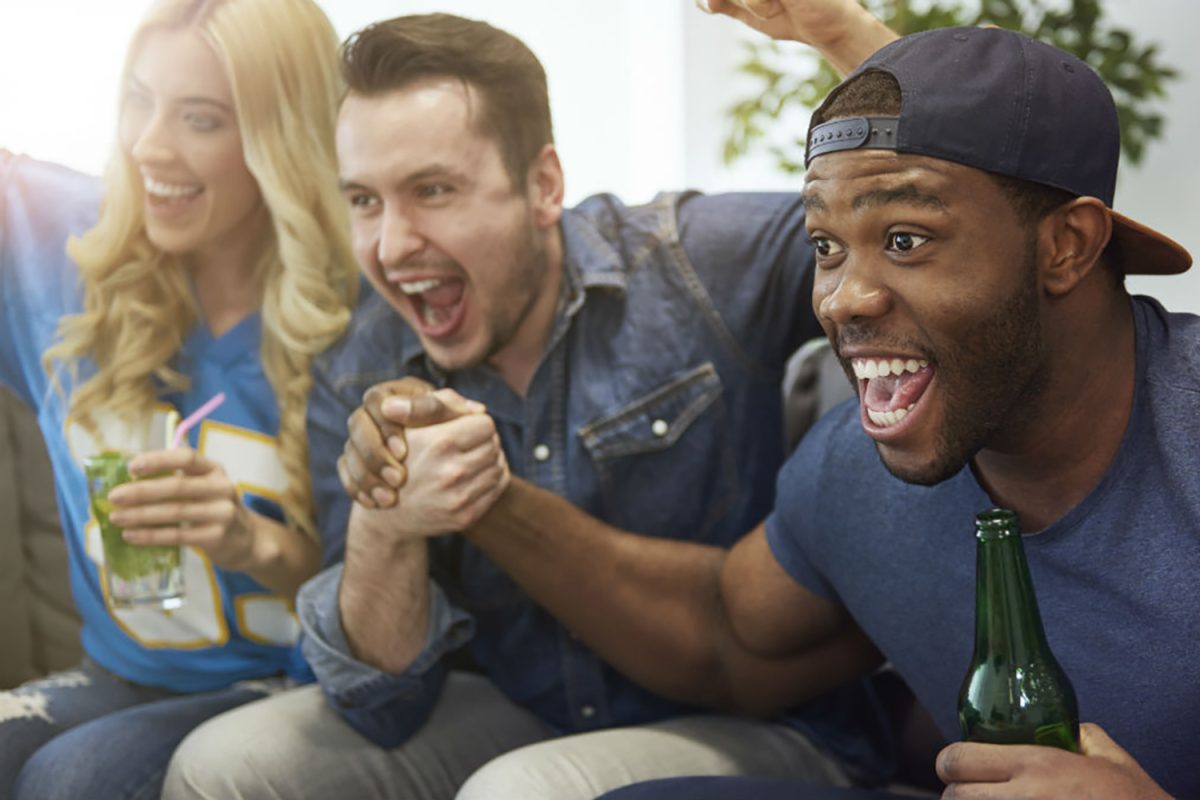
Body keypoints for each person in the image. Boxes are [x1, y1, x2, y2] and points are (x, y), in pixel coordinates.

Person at [162, 4, 907, 799]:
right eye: (365, 201)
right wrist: (386, 520)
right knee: (222, 769)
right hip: (526, 711)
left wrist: (846, 37)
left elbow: (931, 231)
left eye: (433, 189)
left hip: (762, 726)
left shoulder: (695, 263)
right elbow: (381, 699)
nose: (391, 244)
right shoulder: (360, 363)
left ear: (543, 183)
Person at [483, 24, 1197, 800]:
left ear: (1067, 246)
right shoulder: (858, 467)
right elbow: (726, 636)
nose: (844, 299)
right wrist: (486, 496)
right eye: (825, 246)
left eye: (904, 239)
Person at [0, 0, 358, 797]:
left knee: (70, 782)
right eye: (138, 99)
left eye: (200, 119)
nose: (148, 144)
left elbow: (393, 609)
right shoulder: (60, 246)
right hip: (119, 677)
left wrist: (248, 541)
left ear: (279, 138)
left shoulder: (358, 315)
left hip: (289, 688)